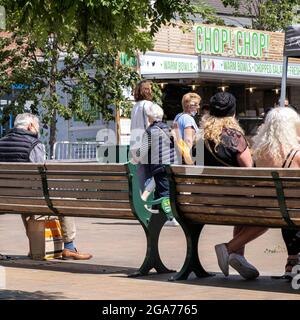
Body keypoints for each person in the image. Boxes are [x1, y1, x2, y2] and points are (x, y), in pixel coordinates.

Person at [0, 113, 92, 260]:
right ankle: (69, 247)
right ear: (30, 126)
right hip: (31, 197)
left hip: (5, 198)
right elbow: (42, 175)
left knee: (26, 203)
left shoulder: (1, 142)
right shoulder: (34, 145)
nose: (38, 130)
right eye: (37, 126)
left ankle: (35, 247)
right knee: (63, 199)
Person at [201, 92, 268, 279]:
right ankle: (229, 249)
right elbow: (249, 168)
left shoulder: (201, 138)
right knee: (263, 216)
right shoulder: (234, 136)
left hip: (201, 204)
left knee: (243, 203)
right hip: (233, 202)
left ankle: (237, 256)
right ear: (233, 113)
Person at [252, 107, 300, 279]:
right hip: (292, 210)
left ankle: (292, 262)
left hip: (271, 210)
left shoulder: (259, 153)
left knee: (287, 211)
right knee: (293, 210)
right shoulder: (296, 154)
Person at [137, 103, 178, 225]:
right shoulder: (167, 128)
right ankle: (156, 218)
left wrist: (135, 155)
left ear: (151, 116)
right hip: (171, 165)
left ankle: (171, 218)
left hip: (159, 166)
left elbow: (142, 151)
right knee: (160, 192)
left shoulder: (150, 131)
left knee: (164, 193)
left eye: (148, 115)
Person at [129, 80, 154, 192]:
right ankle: (148, 202)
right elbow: (151, 126)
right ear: (147, 90)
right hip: (146, 144)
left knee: (141, 176)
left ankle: (141, 202)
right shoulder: (148, 105)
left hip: (135, 144)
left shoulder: (135, 107)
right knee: (150, 175)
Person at [173, 92, 201, 159]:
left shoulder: (178, 116)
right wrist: (189, 160)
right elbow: (188, 141)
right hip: (187, 157)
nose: (199, 107)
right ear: (189, 106)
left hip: (178, 155)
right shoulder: (187, 119)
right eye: (196, 105)